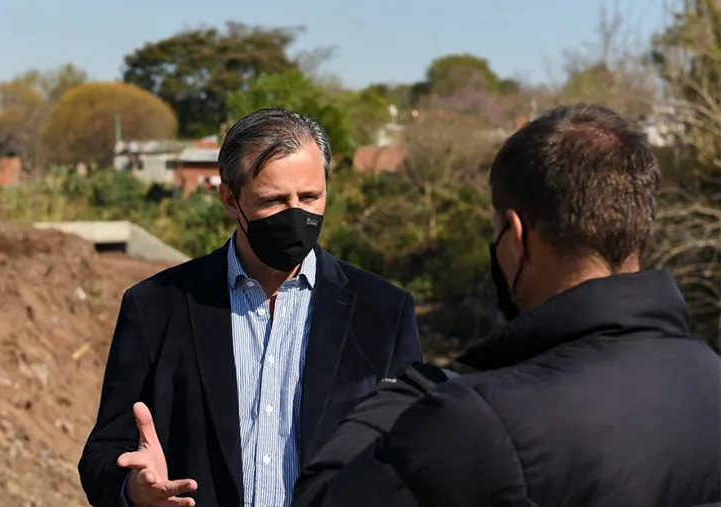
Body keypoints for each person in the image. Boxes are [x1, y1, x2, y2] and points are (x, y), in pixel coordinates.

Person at [292, 103, 721, 507]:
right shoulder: (710, 377)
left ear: (516, 237)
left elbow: (327, 496)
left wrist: (409, 393)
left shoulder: (478, 421)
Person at [78, 107, 424, 507]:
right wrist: (134, 490)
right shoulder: (156, 306)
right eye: (274, 200)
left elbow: (415, 455)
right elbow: (103, 454)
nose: (296, 214)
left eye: (310, 196)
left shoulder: (384, 312)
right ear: (230, 199)